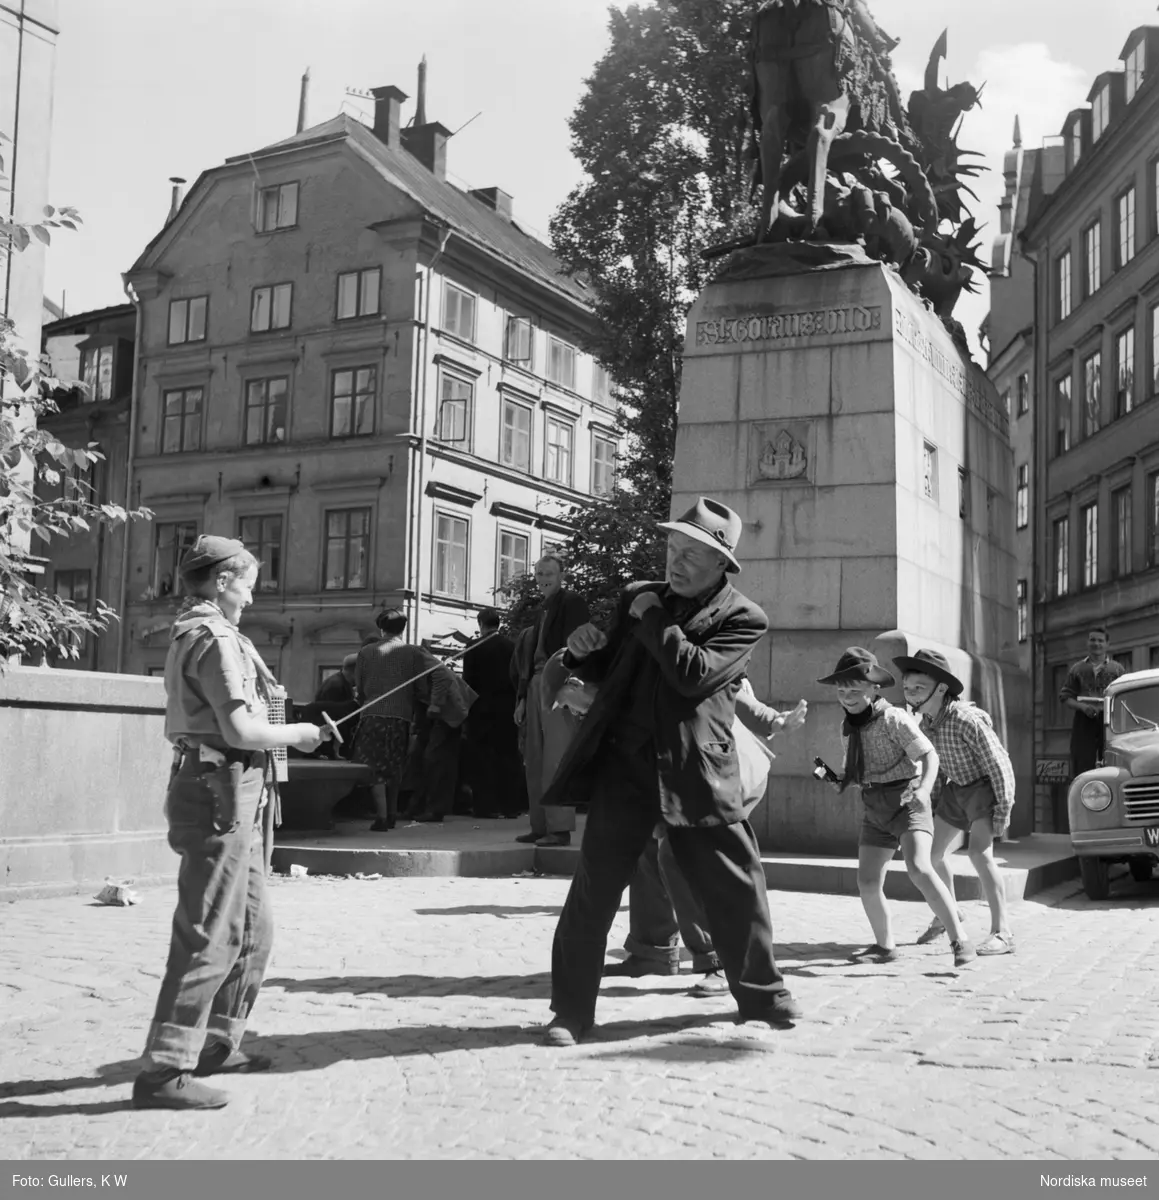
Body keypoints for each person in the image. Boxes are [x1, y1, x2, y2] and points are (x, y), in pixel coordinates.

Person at [538, 497, 803, 1047]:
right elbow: (606, 666)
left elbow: (691, 673)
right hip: (627, 768)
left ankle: (764, 995)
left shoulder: (742, 617)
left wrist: (651, 616)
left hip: (697, 772)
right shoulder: (640, 599)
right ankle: (570, 1011)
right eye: (672, 549)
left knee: (737, 888)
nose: (674, 563)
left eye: (691, 554)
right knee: (594, 890)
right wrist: (577, 650)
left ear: (721, 565)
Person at [133, 536, 328, 1111]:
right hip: (219, 790)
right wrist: (301, 735)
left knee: (251, 929)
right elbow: (241, 731)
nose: (253, 591)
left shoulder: (209, 631)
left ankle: (217, 1042)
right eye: (247, 580)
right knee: (210, 931)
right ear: (221, 582)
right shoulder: (213, 637)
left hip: (233, 788)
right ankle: (164, 1070)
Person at [603, 680, 809, 997]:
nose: (568, 710)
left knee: (679, 854)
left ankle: (718, 961)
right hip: (677, 772)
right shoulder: (622, 671)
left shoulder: (678, 651)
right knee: (645, 844)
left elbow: (728, 685)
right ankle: (652, 952)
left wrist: (773, 720)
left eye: (566, 700)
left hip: (724, 771)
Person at [816, 647, 976, 969]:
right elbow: (858, 770)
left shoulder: (893, 717)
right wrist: (842, 780)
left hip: (907, 800)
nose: (847, 697)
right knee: (867, 882)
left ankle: (960, 940)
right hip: (874, 807)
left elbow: (929, 755)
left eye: (855, 690)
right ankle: (885, 946)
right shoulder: (849, 726)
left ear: (874, 688)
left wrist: (924, 790)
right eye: (842, 691)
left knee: (919, 868)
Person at [896, 648, 1017, 957]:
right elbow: (934, 771)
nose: (910, 694)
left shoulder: (966, 719)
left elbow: (999, 765)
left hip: (983, 791)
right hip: (955, 791)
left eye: (918, 688)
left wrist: (1002, 810)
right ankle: (948, 912)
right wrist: (926, 805)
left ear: (940, 688)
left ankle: (1002, 932)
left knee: (979, 854)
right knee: (931, 855)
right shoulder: (925, 725)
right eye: (907, 688)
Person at [513, 556, 590, 848]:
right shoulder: (541, 610)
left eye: (548, 573)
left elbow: (579, 647)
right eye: (538, 573)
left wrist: (569, 685)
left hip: (557, 682)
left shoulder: (572, 603)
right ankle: (539, 825)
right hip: (535, 685)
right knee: (533, 758)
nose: (542, 577)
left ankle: (559, 830)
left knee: (556, 758)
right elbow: (528, 657)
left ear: (562, 575)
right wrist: (522, 699)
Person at [352, 608, 449, 833]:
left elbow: (360, 687)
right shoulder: (413, 653)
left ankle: (382, 816)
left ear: (380, 627)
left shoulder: (366, 652)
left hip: (372, 715)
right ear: (403, 629)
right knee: (394, 767)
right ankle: (393, 813)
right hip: (401, 717)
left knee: (373, 767)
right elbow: (431, 680)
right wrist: (430, 701)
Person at [462, 608, 523, 818]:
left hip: (480, 709)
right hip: (506, 708)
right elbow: (517, 678)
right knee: (507, 756)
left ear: (481, 624)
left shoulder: (473, 648)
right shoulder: (511, 647)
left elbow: (467, 682)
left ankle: (485, 806)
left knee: (481, 758)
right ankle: (511, 806)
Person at [408, 662, 477, 824]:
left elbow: (441, 674)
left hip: (447, 712)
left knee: (436, 758)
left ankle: (435, 809)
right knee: (420, 756)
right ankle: (418, 806)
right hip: (432, 714)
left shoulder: (413, 656)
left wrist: (435, 704)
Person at [1060, 627, 1126, 779]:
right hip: (1084, 721)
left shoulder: (1117, 669)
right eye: (1093, 640)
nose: (1096, 644)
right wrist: (1083, 707)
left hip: (1110, 721)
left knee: (1112, 758)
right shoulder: (1077, 669)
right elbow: (1065, 697)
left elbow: (1124, 697)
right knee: (1082, 762)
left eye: (1100, 641)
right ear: (1087, 643)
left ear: (1107, 644)